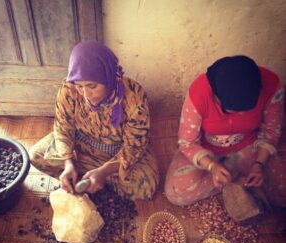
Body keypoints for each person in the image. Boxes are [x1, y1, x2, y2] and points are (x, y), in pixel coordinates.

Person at [29, 41, 159, 201]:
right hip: (80, 148)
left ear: (108, 77)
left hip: (117, 155)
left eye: (92, 86)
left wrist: (104, 171)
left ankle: (93, 178)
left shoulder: (133, 95)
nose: (85, 94)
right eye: (79, 86)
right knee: (35, 155)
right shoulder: (68, 89)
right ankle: (84, 177)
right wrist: (68, 163)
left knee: (147, 185)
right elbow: (63, 128)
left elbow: (134, 145)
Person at [165, 55, 285, 207]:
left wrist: (259, 165)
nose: (239, 116)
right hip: (206, 149)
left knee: (282, 189)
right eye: (230, 110)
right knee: (177, 192)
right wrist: (212, 166)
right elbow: (187, 142)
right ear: (216, 96)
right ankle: (231, 176)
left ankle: (235, 174)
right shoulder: (200, 92)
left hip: (249, 147)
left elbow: (271, 132)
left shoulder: (272, 86)